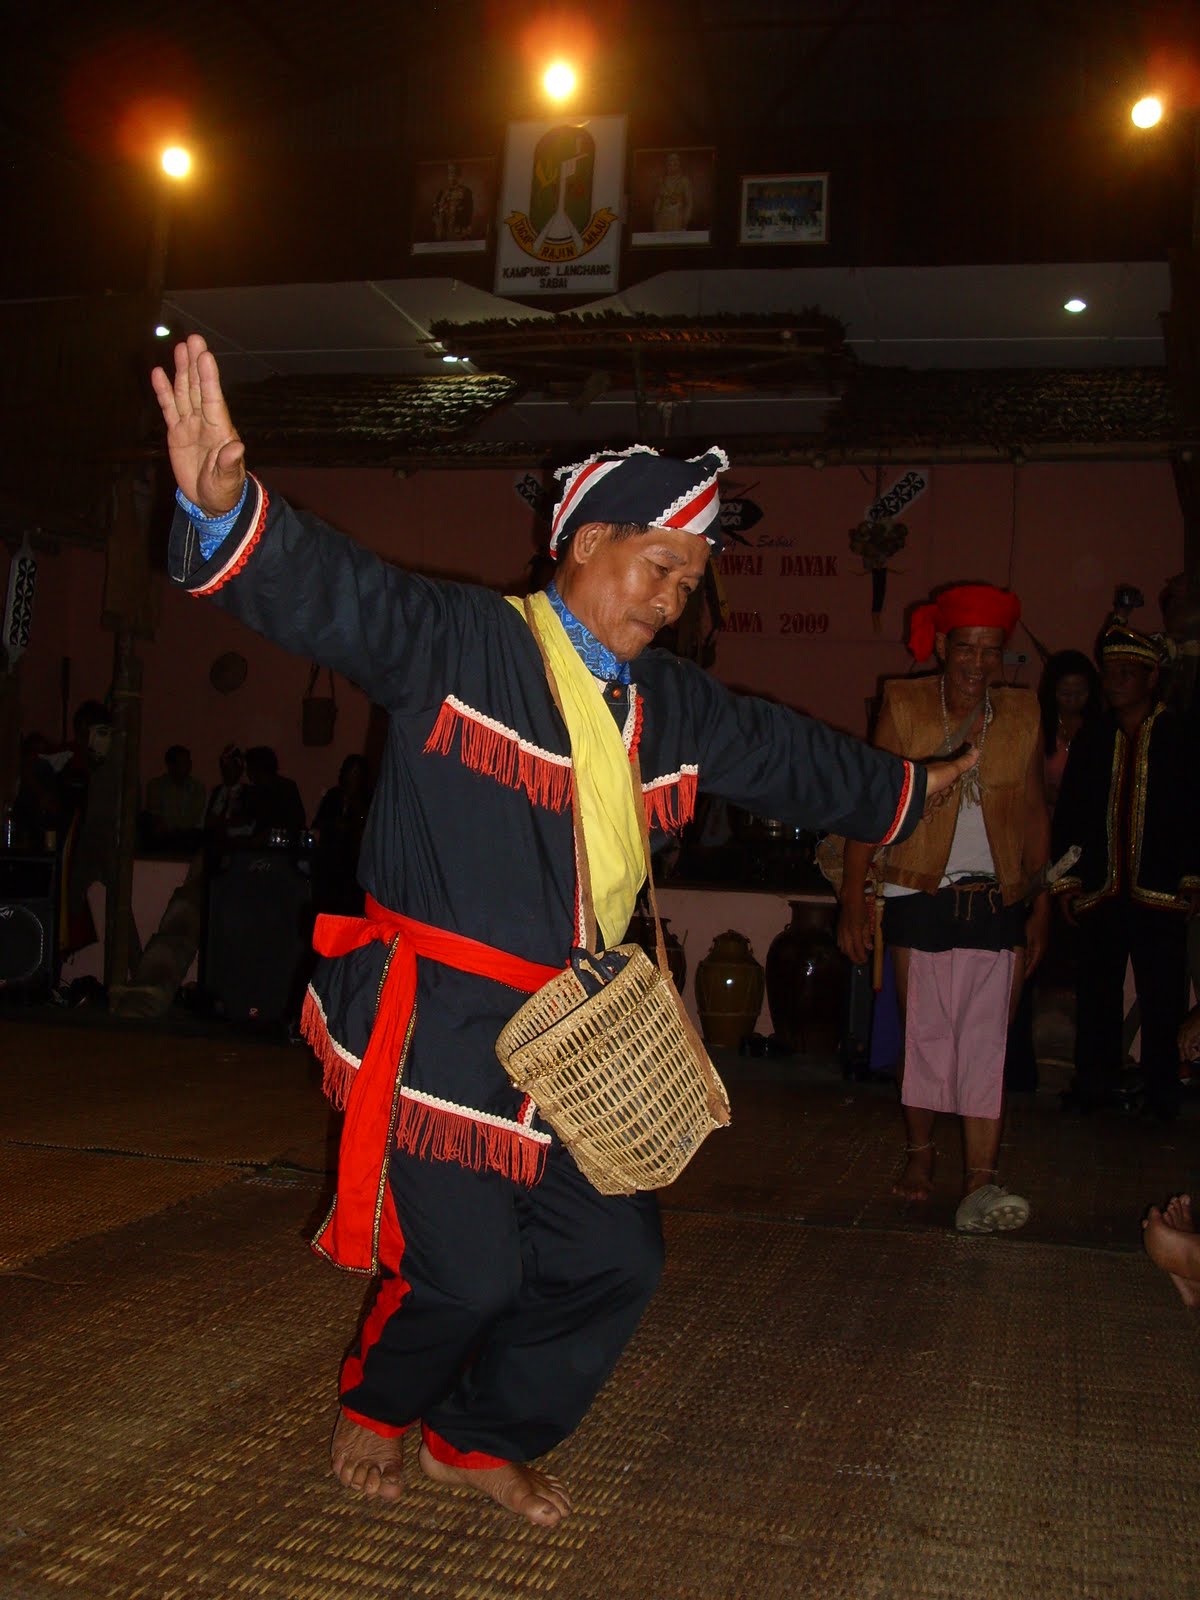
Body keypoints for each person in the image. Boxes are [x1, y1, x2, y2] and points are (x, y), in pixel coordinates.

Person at [151, 333, 975, 1528]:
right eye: (656, 564)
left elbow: (789, 756)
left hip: (580, 1037)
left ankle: (473, 1437)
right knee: (469, 1273)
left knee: (616, 1261)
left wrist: (908, 792)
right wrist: (226, 509)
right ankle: (378, 1408)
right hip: (445, 1030)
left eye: (689, 577)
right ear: (584, 545)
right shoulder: (464, 643)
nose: (674, 594)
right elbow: (341, 594)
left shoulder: (671, 704)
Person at [837, 584, 1050, 1233]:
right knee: (927, 1035)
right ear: (944, 646)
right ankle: (922, 1155)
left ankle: (981, 1181)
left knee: (987, 1042)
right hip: (917, 890)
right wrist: (853, 896)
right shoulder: (904, 703)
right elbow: (872, 803)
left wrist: (1040, 904)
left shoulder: (1021, 713)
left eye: (990, 652)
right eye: (967, 648)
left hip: (998, 895)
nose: (978, 663)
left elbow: (1037, 807)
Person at [1051, 622, 1200, 1121]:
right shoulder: (1094, 739)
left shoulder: (1179, 736)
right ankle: (1094, 1084)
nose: (1112, 683)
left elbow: (1195, 811)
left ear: (1150, 679)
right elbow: (1071, 812)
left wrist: (1192, 877)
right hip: (1101, 890)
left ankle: (1162, 1091)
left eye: (1124, 674)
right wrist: (1067, 882)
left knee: (1162, 994)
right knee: (1097, 991)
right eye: (1108, 674)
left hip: (1159, 891)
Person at [1038, 649, 1102, 812]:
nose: (1073, 699)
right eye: (1065, 693)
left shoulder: (1101, 727)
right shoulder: (1039, 726)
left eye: (1080, 692)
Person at [312, 753, 371, 914]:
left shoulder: (368, 799)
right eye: (348, 772)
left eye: (355, 773)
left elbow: (365, 830)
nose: (350, 777)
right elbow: (319, 824)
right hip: (329, 862)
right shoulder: (334, 796)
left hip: (353, 866)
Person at [143, 744, 207, 850]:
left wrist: (173, 828)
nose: (188, 766)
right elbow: (155, 814)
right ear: (171, 765)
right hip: (163, 837)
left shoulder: (197, 788)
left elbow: (194, 818)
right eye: (183, 763)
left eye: (188, 762)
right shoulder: (156, 785)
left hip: (186, 836)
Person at [240, 745, 306, 843]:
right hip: (259, 848)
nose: (247, 772)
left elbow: (295, 824)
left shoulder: (285, 789)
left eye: (249, 768)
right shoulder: (252, 792)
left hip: (280, 849)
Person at [431, 163, 473, 242]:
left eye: (454, 172)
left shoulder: (466, 192)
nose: (452, 176)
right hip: (443, 231)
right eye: (450, 173)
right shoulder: (442, 192)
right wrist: (438, 224)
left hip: (458, 231)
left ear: (459, 175)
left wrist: (465, 230)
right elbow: (435, 210)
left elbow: (469, 212)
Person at [652, 151, 693, 233]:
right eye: (670, 160)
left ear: (679, 164)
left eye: (675, 160)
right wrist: (655, 219)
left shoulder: (684, 181)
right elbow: (658, 200)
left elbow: (689, 203)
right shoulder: (661, 181)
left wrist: (685, 221)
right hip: (662, 218)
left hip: (677, 217)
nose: (672, 163)